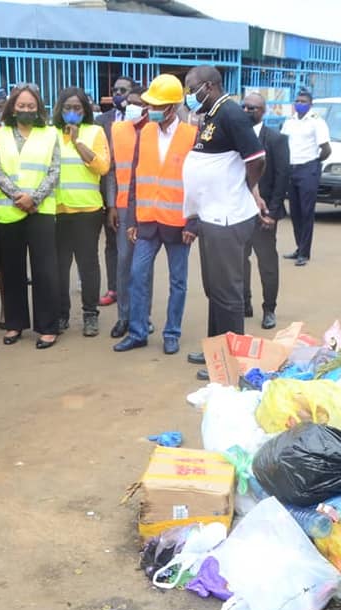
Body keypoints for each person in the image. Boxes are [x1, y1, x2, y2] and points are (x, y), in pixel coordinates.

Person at [182, 66, 266, 381]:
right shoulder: (214, 114)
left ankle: (230, 362)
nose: (188, 96)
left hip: (228, 217)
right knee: (214, 288)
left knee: (228, 292)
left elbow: (257, 158)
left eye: (191, 89)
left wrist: (242, 188)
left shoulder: (231, 114)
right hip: (212, 216)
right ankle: (215, 351)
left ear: (208, 86)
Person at [112, 74, 198, 355]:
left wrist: (193, 223)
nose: (150, 110)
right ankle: (137, 332)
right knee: (137, 275)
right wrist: (133, 219)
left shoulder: (191, 135)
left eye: (157, 106)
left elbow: (198, 183)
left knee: (178, 282)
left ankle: (171, 332)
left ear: (172, 107)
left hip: (178, 224)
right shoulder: (146, 132)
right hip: (147, 221)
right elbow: (136, 177)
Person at [0, 84, 62, 349]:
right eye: (22, 105)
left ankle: (47, 327)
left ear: (39, 108)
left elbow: (54, 171)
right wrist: (19, 196)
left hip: (40, 211)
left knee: (45, 271)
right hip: (10, 210)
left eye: (31, 106)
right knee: (12, 270)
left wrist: (35, 198)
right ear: (12, 108)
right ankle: (15, 323)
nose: (26, 110)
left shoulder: (50, 134)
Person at [53, 86, 110, 337]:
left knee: (88, 265)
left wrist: (77, 141)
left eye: (77, 108)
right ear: (60, 109)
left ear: (85, 109)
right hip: (57, 210)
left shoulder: (95, 131)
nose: (72, 112)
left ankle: (90, 315)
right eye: (68, 108)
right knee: (59, 266)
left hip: (88, 210)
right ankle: (61, 314)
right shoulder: (49, 134)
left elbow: (102, 167)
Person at [106, 86, 153, 340]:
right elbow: (112, 170)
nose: (131, 105)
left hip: (149, 206)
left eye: (138, 102)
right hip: (123, 207)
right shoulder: (117, 129)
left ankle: (143, 317)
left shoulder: (156, 131)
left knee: (143, 267)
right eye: (129, 101)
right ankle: (124, 317)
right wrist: (112, 204)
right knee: (124, 263)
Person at [242, 93, 289, 330]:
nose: (248, 111)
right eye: (245, 107)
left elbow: (282, 177)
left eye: (253, 108)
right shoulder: (235, 136)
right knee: (240, 259)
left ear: (263, 111)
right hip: (239, 211)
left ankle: (269, 308)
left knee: (267, 262)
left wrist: (273, 212)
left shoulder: (276, 139)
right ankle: (245, 303)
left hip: (264, 212)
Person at [95, 76, 135, 307]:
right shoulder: (102, 120)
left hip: (133, 194)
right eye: (116, 90)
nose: (119, 93)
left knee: (132, 243)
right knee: (111, 243)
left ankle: (130, 287)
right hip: (108, 190)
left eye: (124, 90)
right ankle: (113, 288)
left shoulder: (141, 119)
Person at [280, 89, 330, 267]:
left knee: (306, 211)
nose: (299, 104)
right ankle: (298, 247)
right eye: (297, 101)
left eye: (303, 101)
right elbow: (284, 143)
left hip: (308, 169)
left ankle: (304, 253)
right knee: (294, 211)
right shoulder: (290, 121)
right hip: (291, 169)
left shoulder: (317, 122)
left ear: (310, 104)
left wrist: (314, 163)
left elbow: (326, 149)